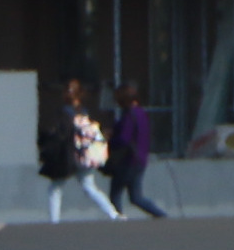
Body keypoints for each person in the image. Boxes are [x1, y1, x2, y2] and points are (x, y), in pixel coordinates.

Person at [38, 78, 121, 222]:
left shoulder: (64, 113)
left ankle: (54, 221)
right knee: (90, 187)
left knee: (55, 189)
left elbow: (61, 136)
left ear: (65, 94)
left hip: (68, 157)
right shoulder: (85, 112)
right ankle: (113, 214)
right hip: (85, 155)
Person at [105, 83, 169, 219]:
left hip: (128, 160)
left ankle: (118, 218)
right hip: (140, 159)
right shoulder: (142, 114)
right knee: (136, 197)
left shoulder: (129, 116)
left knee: (115, 193)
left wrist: (110, 141)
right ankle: (160, 215)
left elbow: (124, 138)